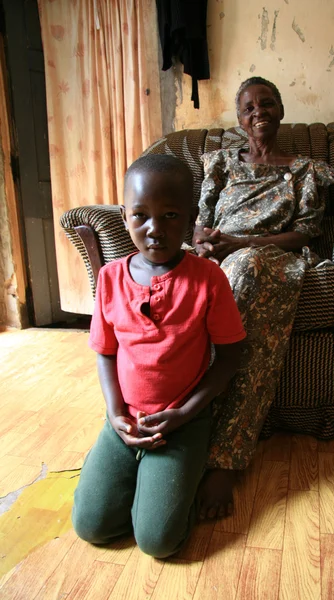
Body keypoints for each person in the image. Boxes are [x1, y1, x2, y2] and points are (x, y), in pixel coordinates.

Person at [72, 154, 246, 558]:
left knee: (157, 541)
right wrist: (116, 414)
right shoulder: (111, 278)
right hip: (125, 421)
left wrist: (184, 414)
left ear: (190, 218)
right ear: (123, 216)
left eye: (170, 215)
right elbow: (105, 353)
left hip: (181, 424)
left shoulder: (208, 280)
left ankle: (166, 484)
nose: (154, 230)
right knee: (90, 526)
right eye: (140, 216)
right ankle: (131, 478)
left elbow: (231, 356)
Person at [194, 77, 334, 518]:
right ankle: (172, 431)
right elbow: (200, 222)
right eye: (248, 107)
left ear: (280, 109)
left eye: (267, 103)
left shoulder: (305, 170)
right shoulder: (220, 163)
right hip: (220, 254)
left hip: (270, 257)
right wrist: (205, 245)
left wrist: (241, 245)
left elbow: (306, 231)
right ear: (239, 120)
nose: (258, 111)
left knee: (247, 271)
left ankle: (224, 457)